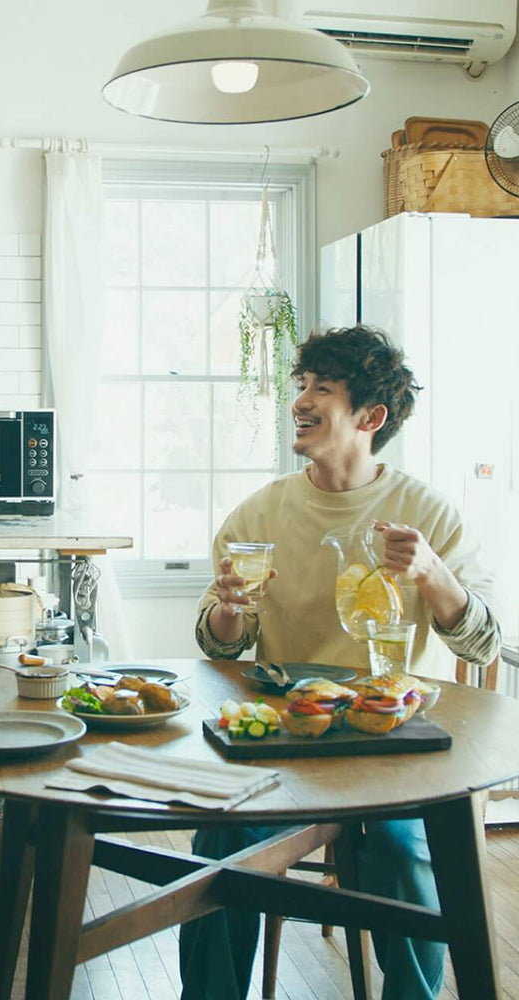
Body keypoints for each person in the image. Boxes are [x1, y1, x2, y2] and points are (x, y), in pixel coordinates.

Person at [180, 326, 500, 1000]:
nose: (301, 399)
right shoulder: (260, 513)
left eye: (322, 389)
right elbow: (218, 643)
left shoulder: (425, 514)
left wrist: (433, 573)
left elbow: (484, 643)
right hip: (281, 738)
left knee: (403, 854)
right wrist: (230, 613)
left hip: (390, 743)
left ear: (371, 417)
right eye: (300, 386)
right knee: (218, 851)